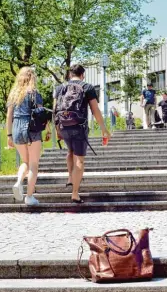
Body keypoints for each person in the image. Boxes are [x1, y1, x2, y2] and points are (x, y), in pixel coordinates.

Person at [54, 64, 110, 204]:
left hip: (63, 126)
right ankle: (75, 193)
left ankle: (70, 178)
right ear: (82, 74)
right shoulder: (87, 87)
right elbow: (95, 109)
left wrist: (57, 130)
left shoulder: (60, 88)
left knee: (70, 151)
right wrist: (103, 128)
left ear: (69, 74)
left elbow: (55, 110)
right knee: (80, 159)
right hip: (79, 126)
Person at [6, 66, 51, 206]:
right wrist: (48, 129)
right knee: (33, 165)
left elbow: (9, 116)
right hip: (32, 128)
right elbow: (41, 113)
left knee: (25, 161)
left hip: (17, 127)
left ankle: (19, 182)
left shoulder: (14, 94)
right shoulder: (34, 93)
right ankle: (29, 197)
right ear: (32, 78)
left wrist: (9, 135)